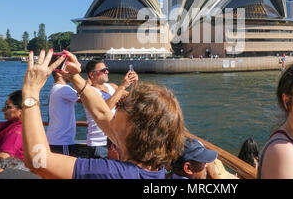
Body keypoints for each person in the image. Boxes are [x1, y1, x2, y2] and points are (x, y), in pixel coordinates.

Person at [21, 49, 185, 179]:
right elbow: (100, 113)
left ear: (131, 127)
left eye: (121, 105)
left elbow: (39, 162)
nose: (115, 109)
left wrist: (30, 91)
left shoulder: (113, 172)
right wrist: (74, 77)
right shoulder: (155, 166)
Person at [83, 58, 138, 158]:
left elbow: (132, 100)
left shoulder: (112, 87)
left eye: (107, 69)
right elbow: (104, 109)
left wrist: (134, 84)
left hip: (115, 142)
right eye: (103, 70)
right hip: (99, 144)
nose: (107, 72)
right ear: (92, 75)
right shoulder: (89, 92)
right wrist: (122, 87)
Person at [46, 70, 79, 156]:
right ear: (59, 73)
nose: (70, 73)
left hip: (55, 139)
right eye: (67, 71)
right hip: (62, 140)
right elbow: (86, 96)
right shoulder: (63, 89)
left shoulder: (55, 88)